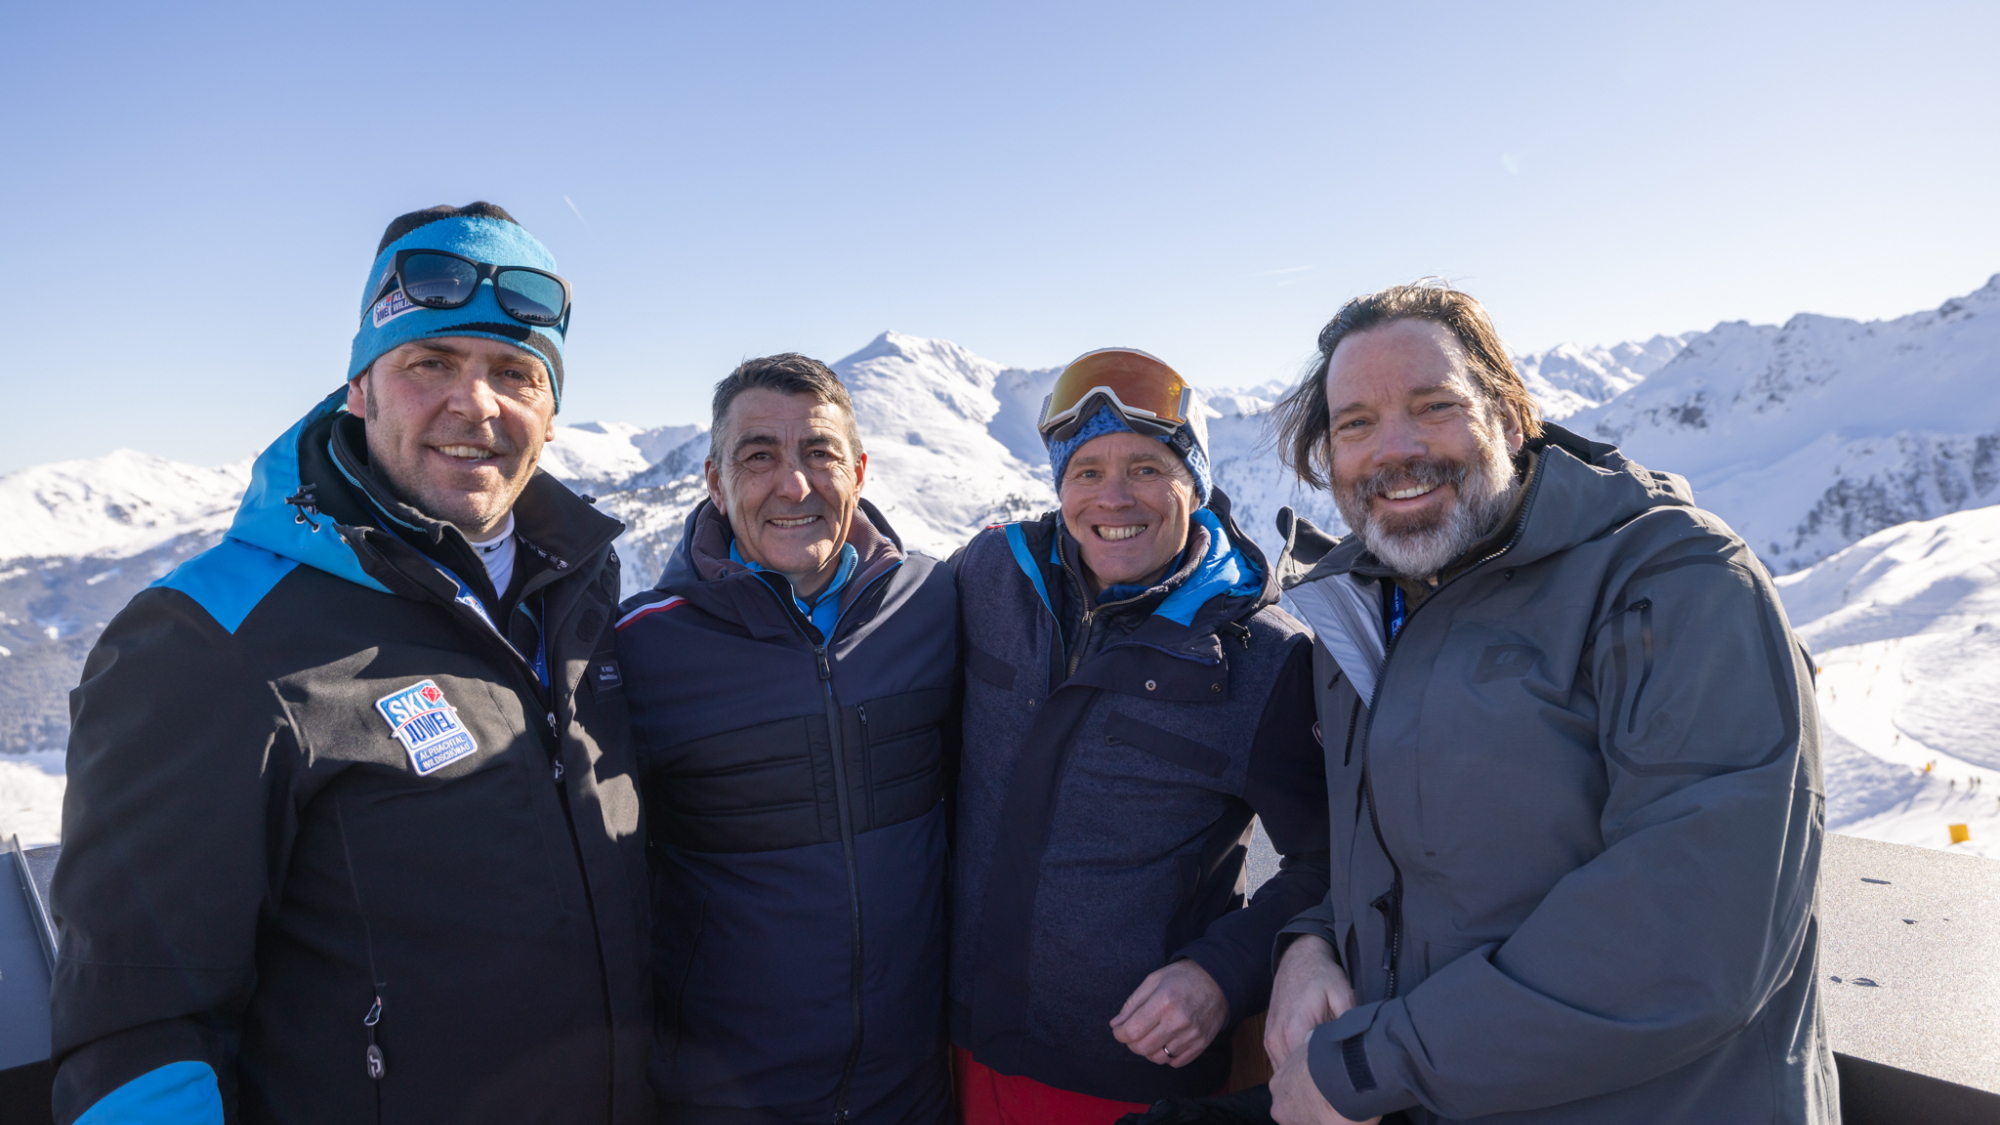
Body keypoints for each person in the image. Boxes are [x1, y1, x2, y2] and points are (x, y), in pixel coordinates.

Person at [50, 203, 653, 1124]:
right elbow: (137, 1032)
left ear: (551, 413)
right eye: (431, 363)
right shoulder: (210, 636)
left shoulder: (578, 602)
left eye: (514, 373)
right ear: (360, 391)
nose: (476, 403)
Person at [1260, 283, 1835, 1125]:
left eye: (1435, 406)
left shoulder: (1673, 580)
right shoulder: (1366, 603)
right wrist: (1308, 940)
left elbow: (1693, 932)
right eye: (1355, 423)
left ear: (1510, 415)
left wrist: (1371, 1062)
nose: (1395, 449)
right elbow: (1393, 858)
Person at [949, 348, 1331, 1124]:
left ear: (1195, 484)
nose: (1114, 496)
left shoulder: (1263, 658)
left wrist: (1223, 973)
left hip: (1131, 1078)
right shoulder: (991, 578)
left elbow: (1335, 861)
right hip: (958, 1048)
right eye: (1087, 470)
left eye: (1148, 468)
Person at [614, 354, 958, 1123]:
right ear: (715, 482)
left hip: (909, 1091)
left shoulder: (933, 604)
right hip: (727, 1097)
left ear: (859, 471)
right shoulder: (643, 649)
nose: (794, 485)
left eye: (820, 452)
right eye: (759, 455)